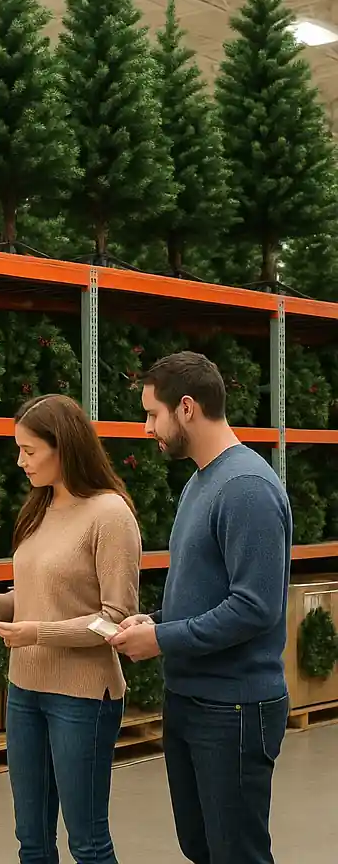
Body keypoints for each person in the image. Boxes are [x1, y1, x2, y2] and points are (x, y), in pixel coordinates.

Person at [109, 351, 292, 864]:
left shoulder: (246, 488)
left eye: (152, 414)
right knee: (201, 846)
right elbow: (209, 595)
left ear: (186, 408)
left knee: (236, 853)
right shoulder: (201, 481)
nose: (147, 428)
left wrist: (162, 640)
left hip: (232, 709)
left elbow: (255, 608)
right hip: (191, 699)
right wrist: (157, 621)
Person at [0, 394, 141, 864]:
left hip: (82, 697)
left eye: (30, 451)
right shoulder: (39, 508)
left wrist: (39, 633)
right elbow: (42, 592)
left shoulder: (110, 514)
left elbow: (115, 617)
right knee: (32, 841)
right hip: (25, 690)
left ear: (65, 447)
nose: (20, 462)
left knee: (88, 843)